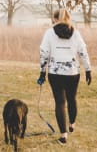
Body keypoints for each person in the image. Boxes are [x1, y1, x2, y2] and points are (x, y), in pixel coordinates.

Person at [37, 8, 92, 145]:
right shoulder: (76, 33)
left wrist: (42, 72)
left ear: (55, 19)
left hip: (55, 73)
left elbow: (44, 53)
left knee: (60, 102)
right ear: (69, 18)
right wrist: (88, 70)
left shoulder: (49, 33)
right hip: (73, 72)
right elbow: (83, 52)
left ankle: (63, 136)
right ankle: (72, 124)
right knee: (72, 98)